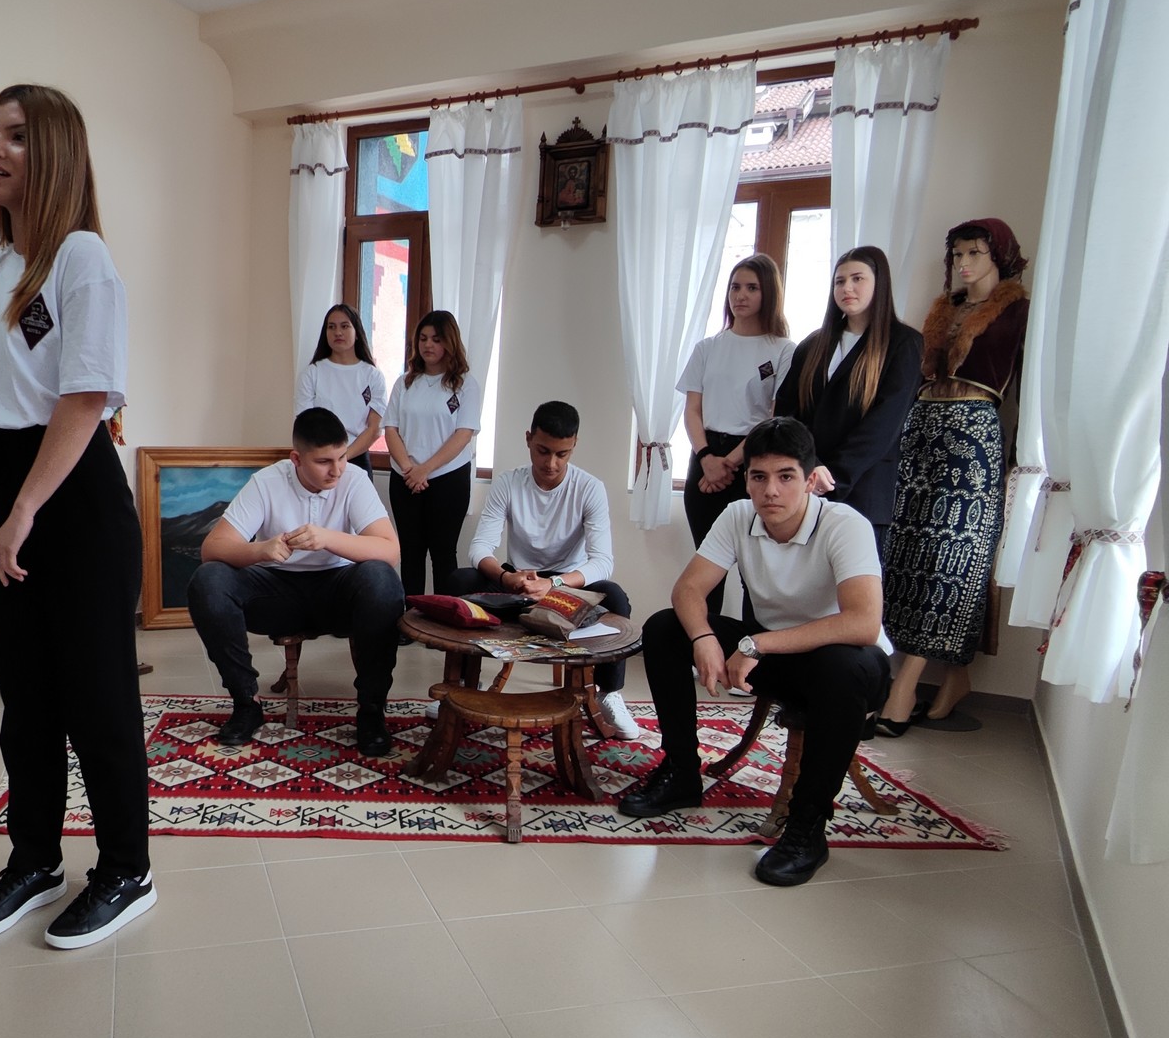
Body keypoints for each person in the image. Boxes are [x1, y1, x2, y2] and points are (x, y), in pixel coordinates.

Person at [0, 84, 153, 950]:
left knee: (96, 697)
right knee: (24, 699)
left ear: (57, 152)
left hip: (73, 499)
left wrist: (23, 508)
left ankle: (126, 871)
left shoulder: (81, 258)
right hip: (3, 495)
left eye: (18, 136)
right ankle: (34, 859)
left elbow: (85, 397)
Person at [618, 417, 891, 887]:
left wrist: (755, 644)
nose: (771, 491)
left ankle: (807, 827)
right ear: (746, 480)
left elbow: (862, 624)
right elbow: (688, 589)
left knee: (840, 668)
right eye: (759, 477)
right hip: (775, 656)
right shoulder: (738, 515)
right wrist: (703, 638)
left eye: (786, 476)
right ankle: (682, 772)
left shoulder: (845, 525)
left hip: (848, 665)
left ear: (810, 479)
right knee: (665, 628)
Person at [877, 219, 1030, 735]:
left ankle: (904, 688)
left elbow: (1029, 390)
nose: (964, 263)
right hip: (920, 434)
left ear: (998, 256)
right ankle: (953, 678)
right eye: (958, 254)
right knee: (906, 555)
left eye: (975, 252)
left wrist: (1027, 462)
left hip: (973, 440)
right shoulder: (942, 310)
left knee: (950, 559)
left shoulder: (1018, 311)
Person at [186, 408, 404, 755]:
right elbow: (212, 548)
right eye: (324, 461)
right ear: (296, 459)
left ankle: (372, 712)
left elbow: (389, 551)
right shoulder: (267, 482)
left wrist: (327, 539)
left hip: (338, 592)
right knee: (208, 580)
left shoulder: (354, 480)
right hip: (278, 592)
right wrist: (260, 550)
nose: (336, 470)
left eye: (342, 457)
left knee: (381, 578)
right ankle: (246, 703)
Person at [447, 400, 642, 738]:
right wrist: (507, 577)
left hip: (566, 588)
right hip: (517, 583)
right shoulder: (509, 483)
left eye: (562, 454)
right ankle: (463, 683)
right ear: (528, 439)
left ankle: (609, 694)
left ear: (574, 445)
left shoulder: (589, 488)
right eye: (543, 451)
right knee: (459, 580)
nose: (551, 463)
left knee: (615, 597)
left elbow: (602, 561)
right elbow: (479, 548)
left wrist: (554, 584)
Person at [774, 246, 924, 557]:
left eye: (858, 279)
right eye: (839, 281)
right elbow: (787, 413)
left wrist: (833, 478)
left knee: (854, 583)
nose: (847, 288)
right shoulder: (812, 344)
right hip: (805, 487)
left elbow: (884, 424)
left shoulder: (903, 343)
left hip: (863, 490)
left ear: (879, 283)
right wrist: (810, 465)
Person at [677, 253, 795, 617]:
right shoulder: (708, 347)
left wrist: (729, 463)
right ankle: (704, 643)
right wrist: (707, 458)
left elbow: (773, 416)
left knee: (753, 570)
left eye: (751, 288)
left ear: (768, 293)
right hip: (704, 456)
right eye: (735, 287)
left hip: (753, 459)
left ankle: (752, 646)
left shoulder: (783, 349)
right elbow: (692, 411)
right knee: (708, 568)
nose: (740, 295)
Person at [382, 309, 482, 602]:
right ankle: (410, 615)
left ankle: (444, 617)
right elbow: (391, 428)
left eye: (436, 339)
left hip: (448, 478)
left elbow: (463, 434)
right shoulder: (405, 382)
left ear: (449, 342)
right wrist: (408, 468)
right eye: (423, 338)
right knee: (411, 551)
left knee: (443, 552)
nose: (428, 345)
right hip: (405, 478)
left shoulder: (465, 384)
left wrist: (424, 469)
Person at [293, 303, 388, 474]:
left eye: (344, 326)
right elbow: (305, 424)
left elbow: (374, 429)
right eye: (331, 327)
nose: (337, 332)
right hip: (319, 459)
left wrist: (342, 457)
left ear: (357, 332)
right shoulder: (312, 373)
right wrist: (329, 458)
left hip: (357, 457)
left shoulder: (373, 376)